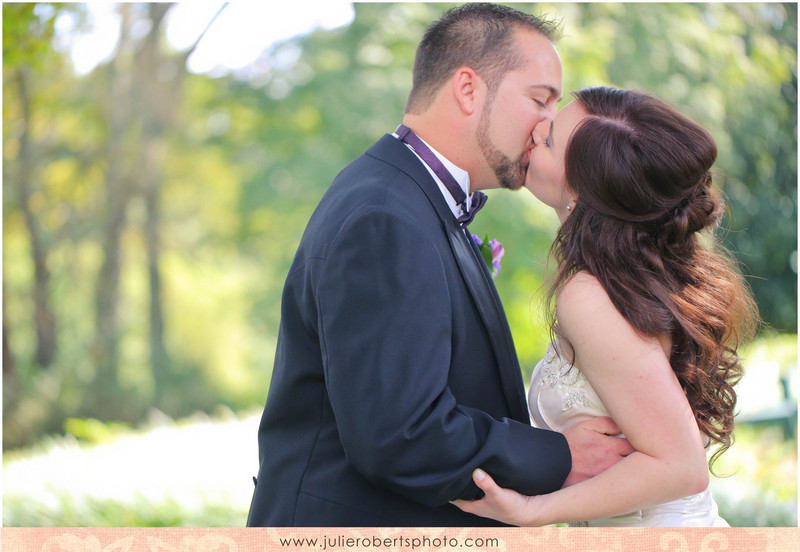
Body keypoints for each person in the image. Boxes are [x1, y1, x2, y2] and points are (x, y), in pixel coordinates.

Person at [246, 5, 632, 527]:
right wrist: (561, 455)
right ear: (468, 89)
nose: (547, 127)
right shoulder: (385, 215)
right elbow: (400, 434)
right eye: (540, 99)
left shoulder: (406, 198)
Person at [453, 86, 759, 527]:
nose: (537, 127)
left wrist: (531, 511)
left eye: (549, 140)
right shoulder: (631, 275)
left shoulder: (591, 294)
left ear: (581, 190)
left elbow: (681, 465)